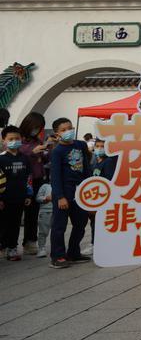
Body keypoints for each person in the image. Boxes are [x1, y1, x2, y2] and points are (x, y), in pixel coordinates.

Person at [48, 118, 90, 268]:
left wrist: (89, 185)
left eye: (70, 128)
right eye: (64, 130)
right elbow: (55, 176)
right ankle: (57, 256)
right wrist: (60, 197)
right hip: (64, 191)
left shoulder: (80, 145)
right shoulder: (57, 151)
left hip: (80, 191)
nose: (68, 131)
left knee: (80, 223)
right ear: (57, 134)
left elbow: (86, 167)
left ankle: (73, 252)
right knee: (60, 226)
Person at [16, 112, 47, 256]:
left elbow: (43, 159)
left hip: (36, 179)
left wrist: (47, 151)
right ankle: (8, 243)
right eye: (35, 126)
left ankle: (30, 241)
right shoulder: (17, 139)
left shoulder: (37, 141)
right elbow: (16, 155)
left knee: (33, 213)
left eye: (39, 127)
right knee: (14, 213)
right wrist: (32, 152)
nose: (37, 130)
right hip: (20, 180)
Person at [1, 126, 33, 261]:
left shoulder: (25, 159)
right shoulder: (1, 159)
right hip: (4, 199)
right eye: (11, 139)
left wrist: (28, 195)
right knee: (3, 224)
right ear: (4, 140)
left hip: (20, 198)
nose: (14, 141)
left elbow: (29, 178)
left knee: (15, 224)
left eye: (17, 138)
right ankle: (3, 246)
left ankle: (12, 248)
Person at [35, 180, 52, 257]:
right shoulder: (45, 186)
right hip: (46, 211)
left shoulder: (63, 185)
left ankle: (56, 247)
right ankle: (41, 248)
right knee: (43, 232)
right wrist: (45, 198)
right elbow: (38, 198)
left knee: (58, 231)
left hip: (58, 211)